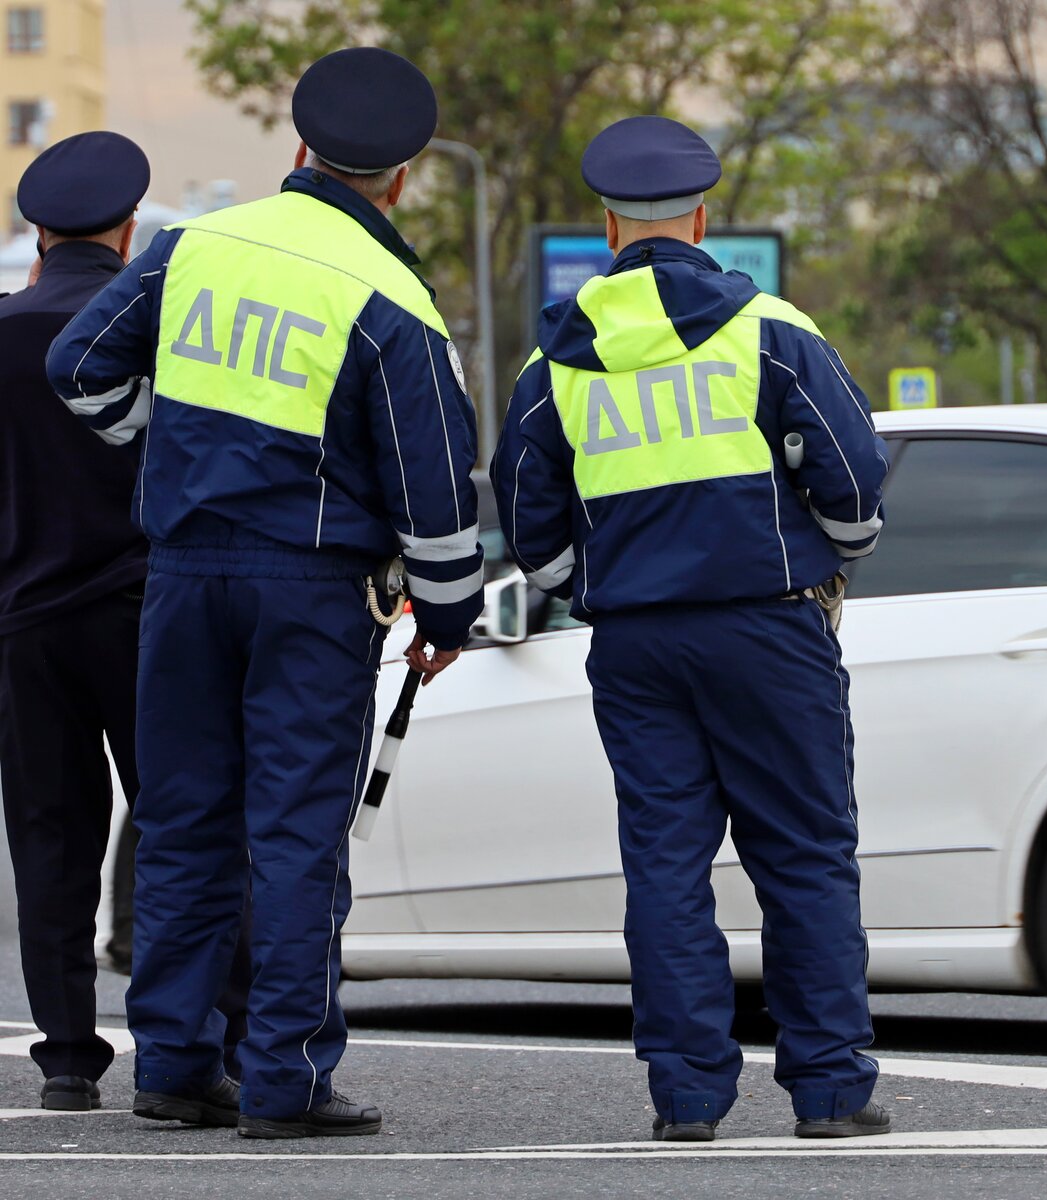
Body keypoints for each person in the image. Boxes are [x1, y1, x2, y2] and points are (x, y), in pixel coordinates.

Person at [46, 48, 484, 1138]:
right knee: (293, 834)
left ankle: (175, 1065)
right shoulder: (393, 299)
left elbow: (79, 364)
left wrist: (166, 452)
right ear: (403, 178)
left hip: (184, 576)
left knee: (185, 818)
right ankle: (284, 1078)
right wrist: (449, 615)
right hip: (314, 589)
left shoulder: (195, 244)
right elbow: (435, 483)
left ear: (298, 151)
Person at [491, 115, 891, 1143]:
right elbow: (852, 480)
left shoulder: (559, 361)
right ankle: (831, 1092)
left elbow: (530, 522)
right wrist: (840, 547)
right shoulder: (770, 329)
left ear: (610, 228)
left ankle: (687, 1100)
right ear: (703, 218)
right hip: (770, 630)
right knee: (802, 854)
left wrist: (605, 582)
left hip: (635, 645)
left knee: (664, 865)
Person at [0, 131, 149, 1113]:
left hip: (21, 621)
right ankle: (190, 1034)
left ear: (37, 233)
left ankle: (63, 1057)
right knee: (179, 820)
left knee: (49, 835)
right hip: (142, 610)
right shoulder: (149, 329)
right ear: (128, 231)